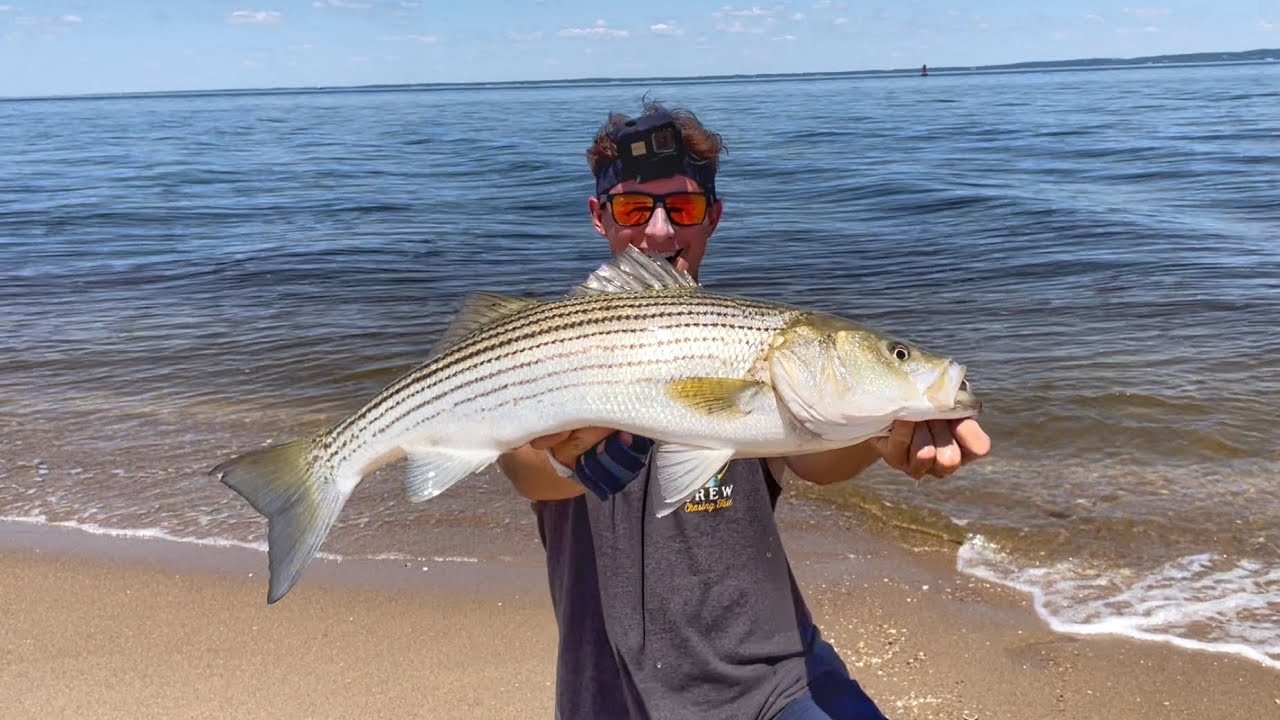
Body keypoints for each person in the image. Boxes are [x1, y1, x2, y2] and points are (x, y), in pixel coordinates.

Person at [499, 101, 991, 720]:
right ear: (600, 217)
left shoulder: (752, 346)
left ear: (713, 217)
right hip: (607, 693)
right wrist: (568, 462)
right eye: (632, 209)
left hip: (775, 682)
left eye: (682, 208)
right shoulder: (543, 345)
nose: (657, 233)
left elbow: (815, 462)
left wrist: (880, 437)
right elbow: (524, 471)